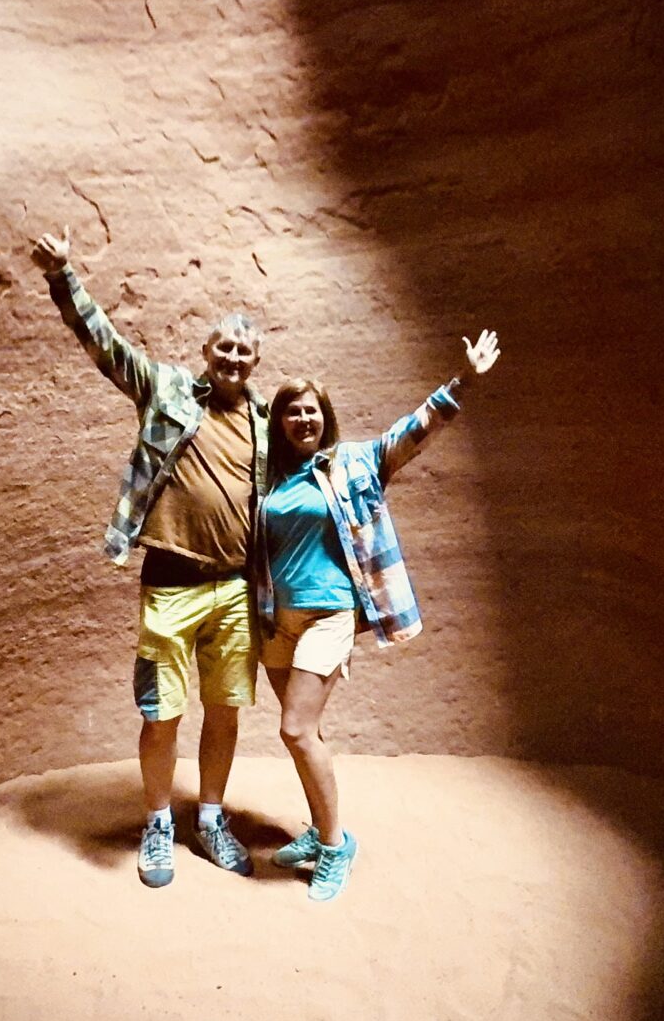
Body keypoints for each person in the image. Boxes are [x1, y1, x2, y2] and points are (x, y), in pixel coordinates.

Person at [28, 226, 270, 888]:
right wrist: (64, 277)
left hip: (236, 592)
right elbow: (104, 344)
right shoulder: (163, 388)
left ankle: (210, 817)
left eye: (245, 351)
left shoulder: (265, 424)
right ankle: (160, 820)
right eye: (225, 345)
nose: (234, 357)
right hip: (171, 583)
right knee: (160, 713)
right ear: (206, 350)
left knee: (225, 711)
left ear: (256, 362)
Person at [258, 328, 502, 903]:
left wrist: (462, 381)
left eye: (310, 410)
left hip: (328, 615)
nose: (302, 420)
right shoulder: (265, 478)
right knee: (306, 734)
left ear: (326, 417)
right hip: (276, 619)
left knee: (293, 729)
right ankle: (320, 834)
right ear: (280, 422)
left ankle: (337, 844)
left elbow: (410, 434)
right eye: (291, 412)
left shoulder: (353, 463)